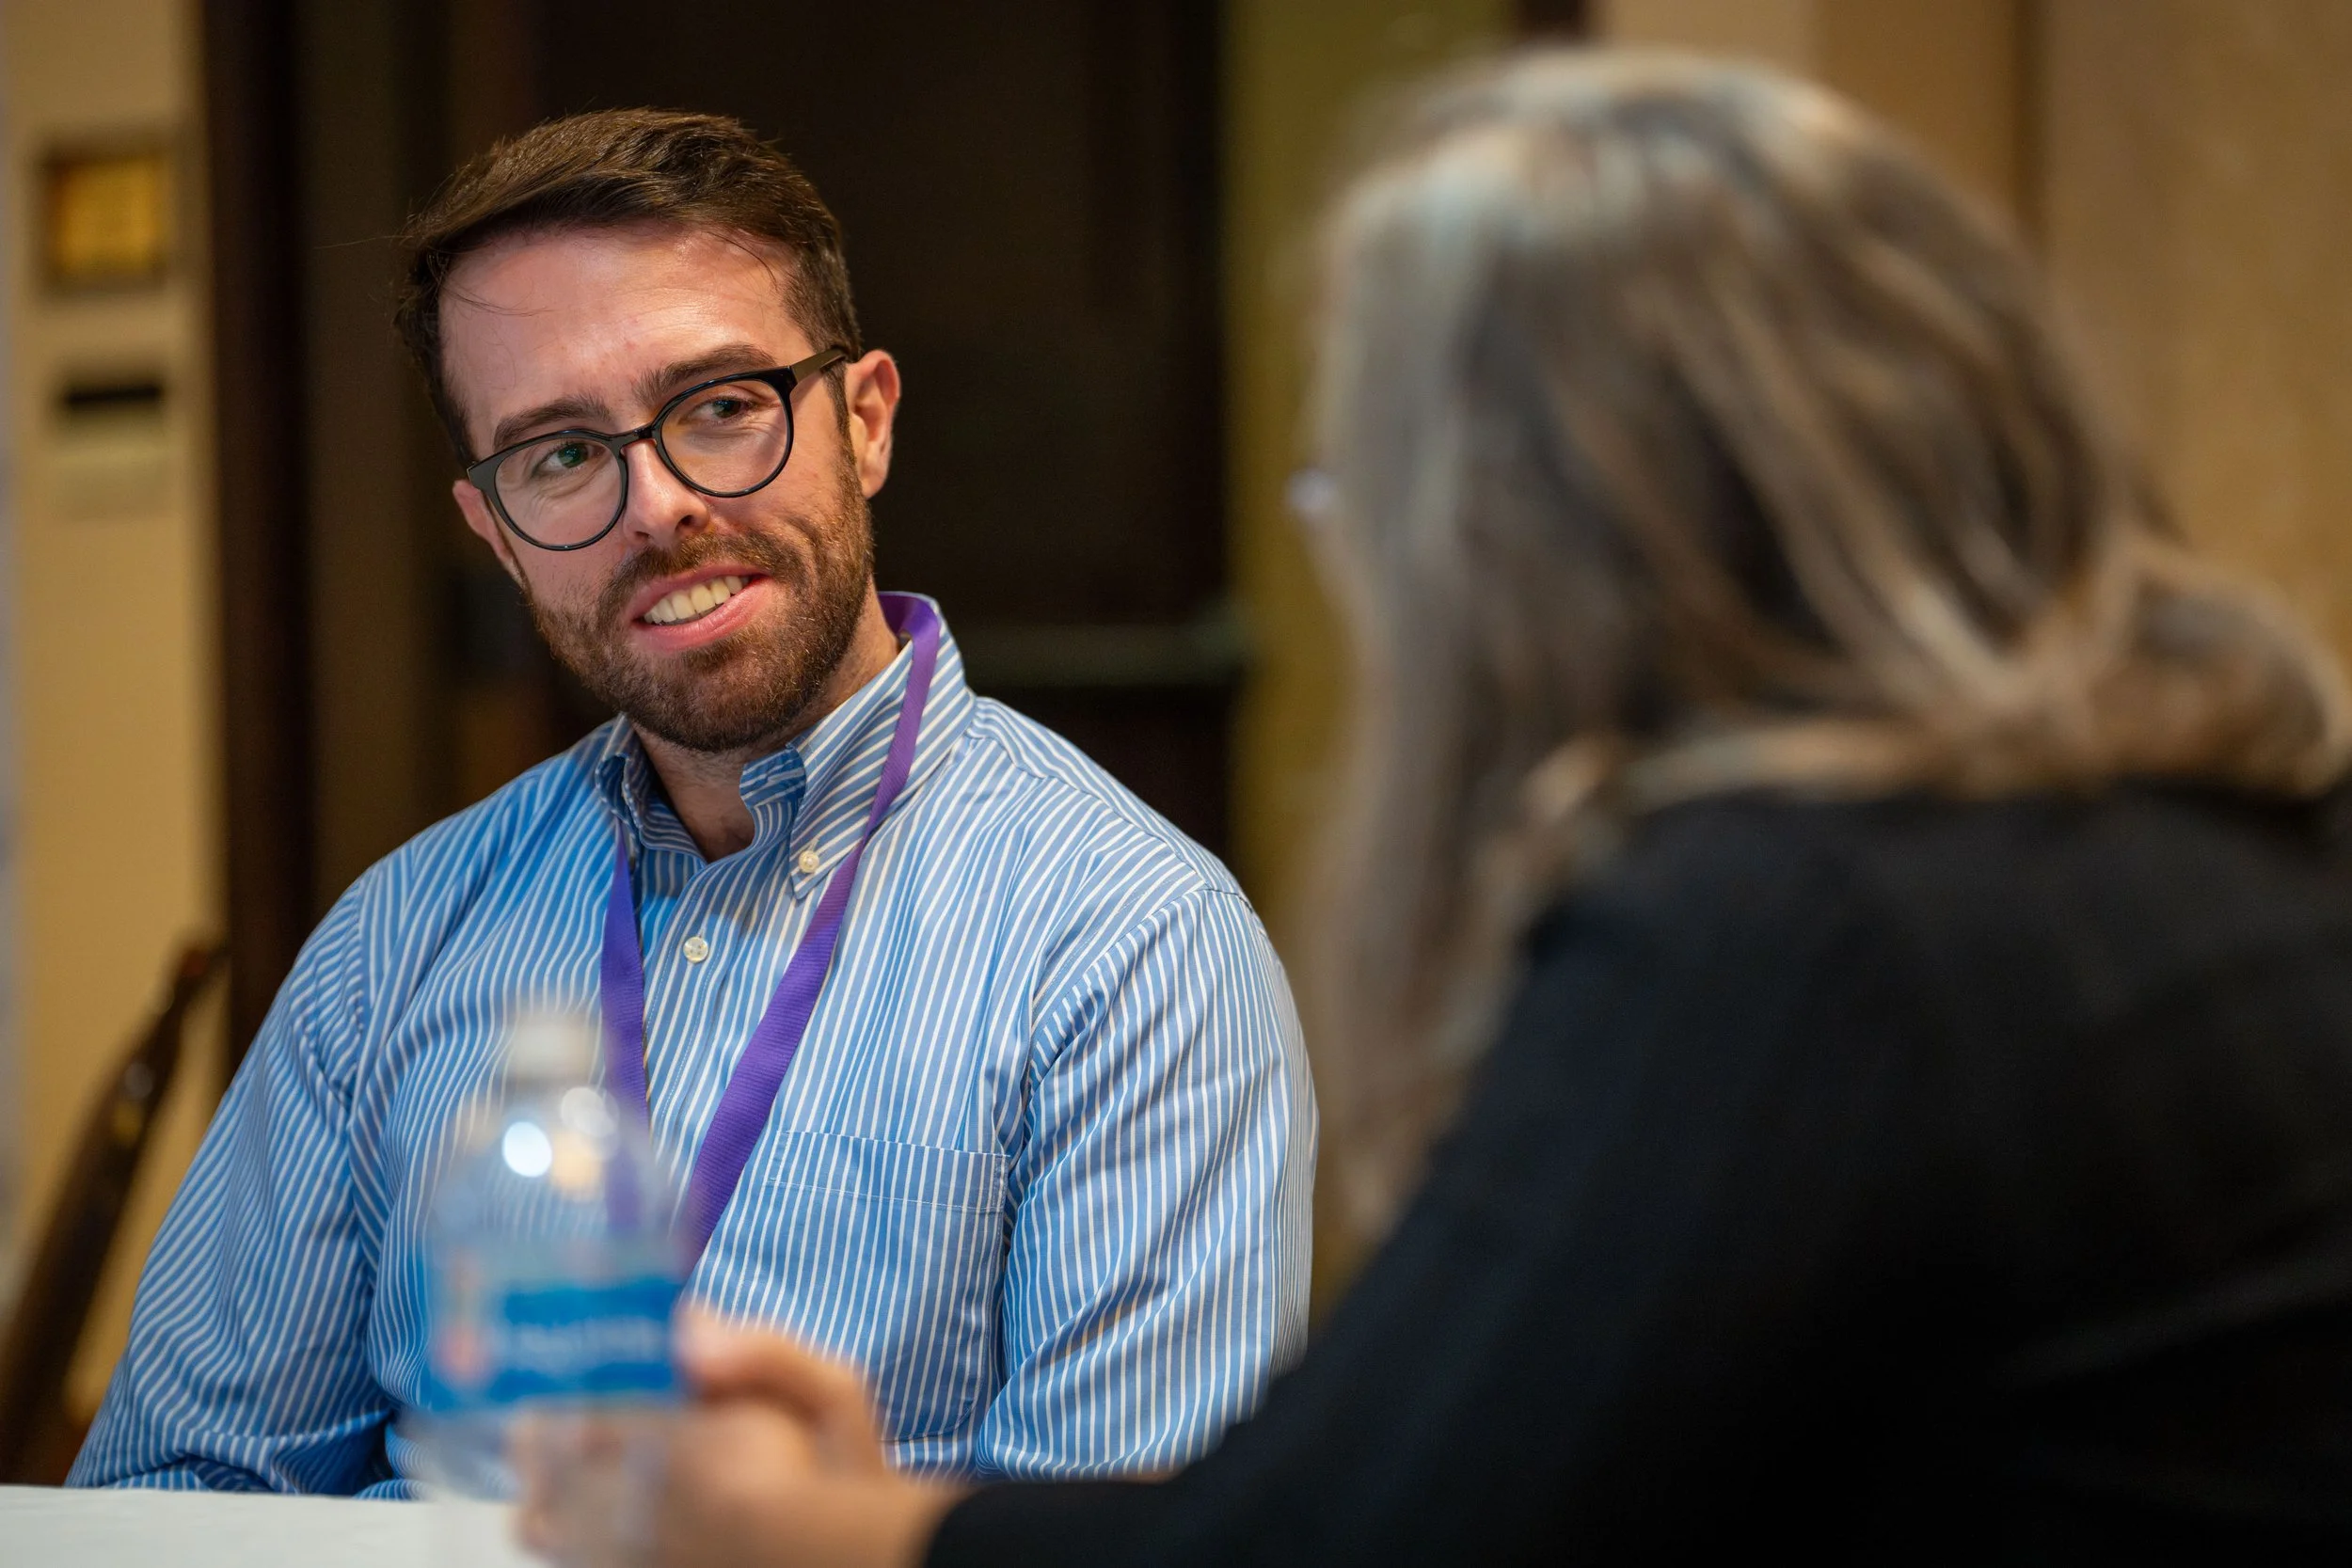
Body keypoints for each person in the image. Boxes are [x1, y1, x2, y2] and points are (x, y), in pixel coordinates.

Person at [523, 51, 2352, 1564]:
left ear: (1519, 540)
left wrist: (805, 1532)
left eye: (1360, 492)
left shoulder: (1802, 928)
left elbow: (1351, 1541)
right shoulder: (2184, 843)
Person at [71, 109, 1315, 1495]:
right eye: (558, 453)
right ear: (493, 533)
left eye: (722, 406)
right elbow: (177, 1489)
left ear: (865, 420)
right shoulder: (391, 949)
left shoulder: (1134, 948)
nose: (655, 505)